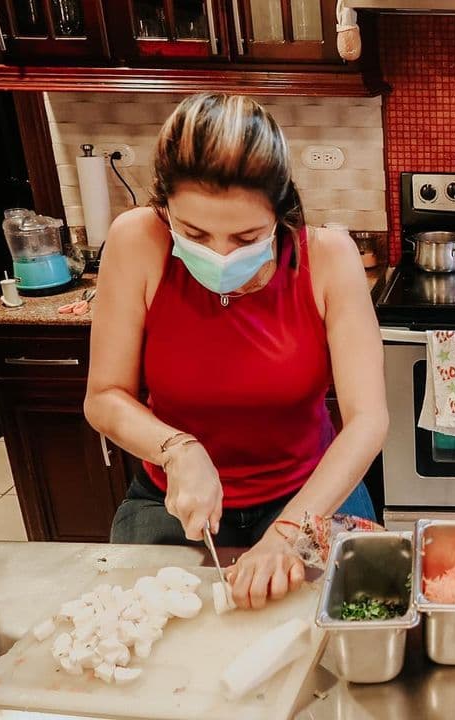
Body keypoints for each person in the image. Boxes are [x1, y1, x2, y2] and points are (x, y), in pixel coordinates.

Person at [84, 93, 388, 608]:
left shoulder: (330, 258)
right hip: (173, 504)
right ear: (164, 208)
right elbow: (104, 395)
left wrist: (288, 532)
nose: (220, 255)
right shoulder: (137, 241)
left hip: (312, 494)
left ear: (281, 213)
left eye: (245, 235)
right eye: (195, 233)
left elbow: (368, 421)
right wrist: (177, 449)